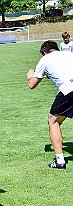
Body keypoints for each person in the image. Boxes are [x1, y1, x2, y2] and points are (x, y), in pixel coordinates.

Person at [27, 40, 73, 170]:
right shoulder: (68, 54)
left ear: (44, 53)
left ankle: (60, 161)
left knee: (53, 121)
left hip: (68, 90)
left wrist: (30, 76)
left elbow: (32, 85)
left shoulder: (45, 59)